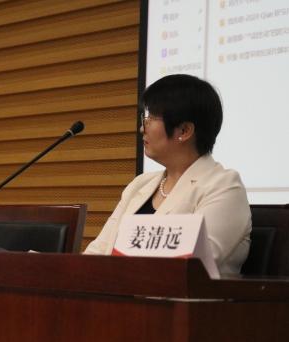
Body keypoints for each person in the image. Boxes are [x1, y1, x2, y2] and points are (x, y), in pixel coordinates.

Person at [84, 74, 251, 274]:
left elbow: (191, 265)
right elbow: (98, 251)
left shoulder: (224, 186)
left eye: (150, 119)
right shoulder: (140, 184)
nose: (142, 128)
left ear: (184, 130)